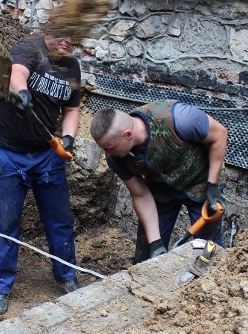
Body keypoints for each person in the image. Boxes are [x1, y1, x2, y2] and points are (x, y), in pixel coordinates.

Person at [0, 28, 82, 314]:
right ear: (49, 27)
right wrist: (22, 92)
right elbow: (16, 73)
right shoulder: (29, 48)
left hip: (46, 155)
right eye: (63, 34)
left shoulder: (72, 66)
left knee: (60, 219)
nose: (68, 41)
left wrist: (68, 138)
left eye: (74, 37)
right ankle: (1, 287)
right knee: (6, 222)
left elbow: (72, 109)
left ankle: (66, 276)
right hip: (8, 152)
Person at [89, 100, 229, 264]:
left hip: (202, 184)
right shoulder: (115, 158)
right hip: (161, 190)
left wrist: (213, 185)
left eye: (110, 147)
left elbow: (219, 135)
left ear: (128, 135)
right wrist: (155, 243)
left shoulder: (178, 119)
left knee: (208, 252)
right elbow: (140, 194)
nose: (107, 153)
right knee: (146, 256)